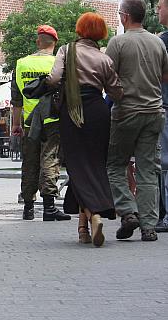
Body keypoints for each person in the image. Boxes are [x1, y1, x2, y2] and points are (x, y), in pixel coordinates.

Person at [46, 12, 123, 246]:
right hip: (98, 112)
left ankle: (93, 215)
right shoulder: (103, 58)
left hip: (72, 111)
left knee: (77, 166)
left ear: (79, 29)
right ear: (101, 33)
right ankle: (83, 229)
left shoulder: (66, 50)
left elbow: (53, 79)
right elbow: (116, 92)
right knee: (94, 165)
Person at [106, 0, 168, 242]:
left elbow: (108, 77)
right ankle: (149, 227)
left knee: (115, 165)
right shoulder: (157, 42)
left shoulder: (118, 42)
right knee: (148, 170)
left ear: (125, 16)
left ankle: (128, 211)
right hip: (154, 113)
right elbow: (165, 76)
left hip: (126, 112)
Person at [11, 25, 70, 222]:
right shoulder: (58, 64)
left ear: (38, 42)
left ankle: (28, 207)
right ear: (55, 43)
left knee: (29, 163)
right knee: (50, 160)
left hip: (29, 122)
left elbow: (16, 100)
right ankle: (49, 208)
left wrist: (16, 124)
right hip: (53, 120)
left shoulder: (21, 64)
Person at [155, 0, 168, 233]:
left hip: (165, 105)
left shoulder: (162, 42)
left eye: (159, 7)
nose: (157, 10)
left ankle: (165, 215)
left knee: (164, 162)